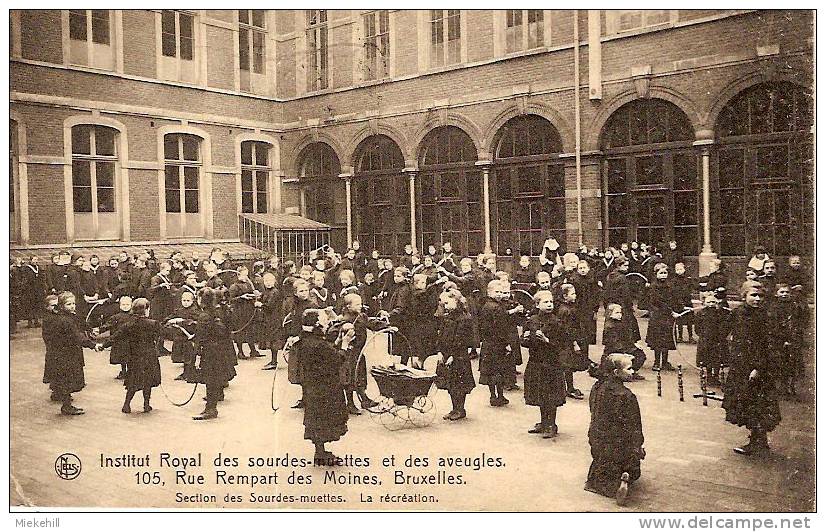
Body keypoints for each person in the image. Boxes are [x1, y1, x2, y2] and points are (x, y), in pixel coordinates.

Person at [722, 281, 781, 455]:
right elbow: (724, 331)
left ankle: (758, 441)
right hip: (741, 365)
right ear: (744, 296)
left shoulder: (765, 316)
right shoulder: (737, 313)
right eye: (753, 295)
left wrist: (758, 368)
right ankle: (757, 439)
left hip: (757, 367)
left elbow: (767, 345)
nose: (757, 299)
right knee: (745, 403)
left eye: (760, 296)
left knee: (758, 404)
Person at [584, 353, 645, 506]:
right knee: (633, 464)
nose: (632, 372)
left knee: (601, 465)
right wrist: (638, 446)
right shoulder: (627, 396)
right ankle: (624, 477)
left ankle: (602, 480)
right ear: (617, 373)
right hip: (620, 444)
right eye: (629, 369)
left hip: (599, 440)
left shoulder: (597, 387)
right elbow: (634, 426)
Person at [296, 308, 352, 464]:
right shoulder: (318, 344)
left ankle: (320, 451)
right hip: (325, 388)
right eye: (324, 319)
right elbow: (336, 359)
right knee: (324, 419)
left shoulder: (308, 340)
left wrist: (337, 342)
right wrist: (345, 344)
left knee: (317, 420)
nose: (328, 321)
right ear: (317, 323)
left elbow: (326, 353)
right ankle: (320, 455)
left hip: (313, 387)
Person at [43, 292, 102, 415]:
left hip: (63, 352)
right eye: (68, 304)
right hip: (66, 353)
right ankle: (66, 406)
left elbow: (80, 323)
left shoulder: (67, 316)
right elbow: (77, 336)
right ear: (62, 305)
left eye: (73, 303)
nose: (72, 306)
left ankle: (64, 400)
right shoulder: (65, 320)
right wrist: (93, 345)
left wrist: (90, 330)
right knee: (67, 378)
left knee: (64, 378)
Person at [104, 298, 162, 414]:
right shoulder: (153, 324)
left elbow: (116, 336)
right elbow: (163, 333)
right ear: (146, 310)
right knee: (148, 381)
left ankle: (127, 404)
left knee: (133, 382)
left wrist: (103, 345)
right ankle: (146, 404)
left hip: (134, 357)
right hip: (149, 356)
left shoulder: (129, 325)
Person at [521, 290, 567, 438]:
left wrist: (547, 340)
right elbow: (525, 341)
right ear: (537, 304)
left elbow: (562, 344)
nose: (549, 305)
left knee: (550, 396)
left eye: (551, 302)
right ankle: (543, 422)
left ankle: (551, 424)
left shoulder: (557, 322)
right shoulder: (532, 320)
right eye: (546, 302)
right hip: (536, 363)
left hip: (551, 364)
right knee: (540, 394)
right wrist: (526, 339)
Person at [188, 287, 237, 420]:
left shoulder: (204, 315)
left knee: (210, 380)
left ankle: (211, 409)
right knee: (215, 379)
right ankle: (211, 407)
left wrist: (196, 355)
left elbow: (201, 337)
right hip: (221, 350)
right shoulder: (220, 311)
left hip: (210, 352)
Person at [435, 288, 476, 420]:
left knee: (459, 384)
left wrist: (453, 355)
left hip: (458, 356)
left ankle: (460, 409)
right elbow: (441, 336)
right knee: (450, 384)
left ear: (457, 302)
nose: (445, 306)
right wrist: (440, 351)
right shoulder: (447, 318)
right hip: (447, 354)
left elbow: (462, 340)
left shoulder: (464, 319)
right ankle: (454, 408)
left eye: (447, 303)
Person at [479, 280, 519, 407]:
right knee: (499, 370)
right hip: (498, 344)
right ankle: (500, 395)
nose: (500, 294)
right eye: (497, 292)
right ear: (489, 292)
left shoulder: (486, 306)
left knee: (490, 371)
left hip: (488, 343)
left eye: (501, 292)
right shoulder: (497, 307)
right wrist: (506, 343)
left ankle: (492, 395)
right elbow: (501, 328)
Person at [338, 293, 380, 414]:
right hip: (350, 353)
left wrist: (386, 326)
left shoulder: (362, 316)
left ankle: (364, 399)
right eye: (357, 304)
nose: (360, 306)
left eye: (361, 303)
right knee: (350, 377)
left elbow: (372, 324)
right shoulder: (345, 319)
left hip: (359, 352)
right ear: (348, 307)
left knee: (360, 376)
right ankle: (350, 403)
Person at [767, 283, 805, 397]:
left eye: (787, 292)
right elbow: (773, 325)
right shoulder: (773, 308)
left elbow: (798, 323)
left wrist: (794, 337)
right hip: (778, 339)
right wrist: (782, 339)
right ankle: (781, 386)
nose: (784, 294)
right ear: (776, 294)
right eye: (781, 292)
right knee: (780, 363)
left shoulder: (794, 307)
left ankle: (791, 385)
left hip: (793, 338)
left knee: (792, 363)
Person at [646, 263, 681, 371]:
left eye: (665, 273)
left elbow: (675, 298)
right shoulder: (654, 287)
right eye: (661, 273)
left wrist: (681, 308)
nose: (663, 275)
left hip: (668, 317)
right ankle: (656, 362)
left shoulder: (670, 285)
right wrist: (671, 311)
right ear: (656, 274)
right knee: (658, 341)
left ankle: (665, 362)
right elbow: (657, 301)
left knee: (667, 340)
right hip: (658, 316)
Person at [285, 279, 314, 409]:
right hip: (297, 340)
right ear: (295, 293)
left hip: (308, 341)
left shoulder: (311, 306)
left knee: (308, 371)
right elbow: (294, 322)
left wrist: (299, 336)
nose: (304, 293)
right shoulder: (295, 305)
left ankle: (310, 398)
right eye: (301, 291)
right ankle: (304, 397)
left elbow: (312, 327)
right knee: (299, 370)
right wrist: (291, 335)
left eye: (306, 290)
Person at [694, 294, 731, 386]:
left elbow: (726, 327)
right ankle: (709, 376)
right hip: (706, 340)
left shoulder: (721, 314)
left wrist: (722, 336)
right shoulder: (700, 314)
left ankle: (716, 375)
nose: (711, 304)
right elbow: (697, 328)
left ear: (717, 303)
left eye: (713, 302)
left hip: (718, 340)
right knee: (707, 359)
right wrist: (703, 335)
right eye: (709, 302)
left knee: (717, 359)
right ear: (704, 303)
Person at [601, 304, 646, 378]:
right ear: (610, 313)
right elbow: (614, 343)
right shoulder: (610, 326)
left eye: (620, 312)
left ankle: (631, 371)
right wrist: (626, 351)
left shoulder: (621, 323)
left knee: (640, 353)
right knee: (637, 355)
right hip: (614, 350)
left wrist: (634, 344)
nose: (619, 315)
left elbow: (626, 337)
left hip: (623, 346)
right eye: (617, 313)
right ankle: (624, 372)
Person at [165, 291, 200, 381]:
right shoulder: (179, 310)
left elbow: (195, 323)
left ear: (192, 301)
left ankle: (191, 374)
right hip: (179, 337)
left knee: (189, 356)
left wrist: (182, 321)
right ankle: (185, 373)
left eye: (188, 300)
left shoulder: (195, 311)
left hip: (189, 337)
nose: (185, 302)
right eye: (184, 300)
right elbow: (170, 317)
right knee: (183, 355)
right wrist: (169, 320)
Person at [228, 265, 262, 359]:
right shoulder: (234, 286)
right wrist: (241, 297)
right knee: (241, 331)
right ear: (238, 275)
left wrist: (255, 294)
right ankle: (240, 351)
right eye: (243, 275)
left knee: (250, 331)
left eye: (246, 275)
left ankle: (253, 350)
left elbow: (253, 294)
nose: (245, 277)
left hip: (249, 311)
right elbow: (231, 299)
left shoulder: (248, 284)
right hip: (239, 312)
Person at [99, 295, 134, 380]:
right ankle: (124, 371)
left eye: (127, 304)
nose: (125, 306)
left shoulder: (133, 317)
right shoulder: (116, 317)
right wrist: (100, 329)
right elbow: (108, 325)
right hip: (122, 341)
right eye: (123, 304)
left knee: (127, 357)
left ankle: (126, 372)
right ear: (120, 305)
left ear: (131, 305)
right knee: (124, 358)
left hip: (126, 340)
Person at [259, 272, 285, 371]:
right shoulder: (266, 291)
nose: (268, 283)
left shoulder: (275, 292)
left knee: (274, 339)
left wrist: (260, 305)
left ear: (274, 281)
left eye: (270, 281)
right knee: (271, 339)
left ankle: (274, 362)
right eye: (266, 281)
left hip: (275, 319)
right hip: (269, 319)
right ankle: (273, 361)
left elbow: (270, 306)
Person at [41, 294, 61, 400]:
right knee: (54, 369)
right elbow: (46, 335)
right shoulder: (48, 319)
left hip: (59, 347)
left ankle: (59, 390)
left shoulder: (59, 316)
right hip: (53, 348)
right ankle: (56, 391)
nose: (56, 308)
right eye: (53, 305)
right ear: (47, 307)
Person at [671, 262, 695, 343]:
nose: (679, 271)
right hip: (678, 302)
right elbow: (674, 292)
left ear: (684, 269)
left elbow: (692, 287)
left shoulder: (687, 279)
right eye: (677, 269)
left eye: (680, 269)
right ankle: (680, 336)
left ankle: (690, 336)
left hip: (687, 301)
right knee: (679, 320)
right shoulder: (674, 280)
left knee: (689, 320)